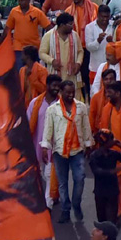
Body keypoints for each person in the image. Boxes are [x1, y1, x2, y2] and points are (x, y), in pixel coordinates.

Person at [42, 78, 91, 223]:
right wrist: (45, 147)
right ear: (61, 92)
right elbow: (48, 129)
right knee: (62, 183)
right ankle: (65, 209)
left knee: (80, 179)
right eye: (68, 92)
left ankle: (76, 204)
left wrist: (88, 144)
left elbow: (86, 126)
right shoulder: (52, 109)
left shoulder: (81, 107)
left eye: (73, 92)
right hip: (59, 151)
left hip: (77, 151)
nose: (71, 95)